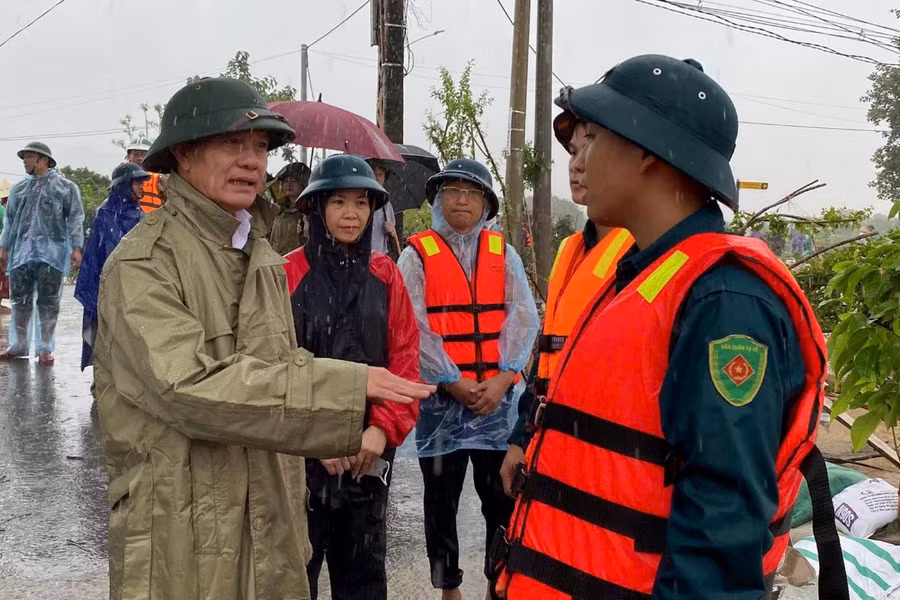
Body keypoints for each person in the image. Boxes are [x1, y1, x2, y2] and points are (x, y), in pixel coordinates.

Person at [494, 55, 846, 600]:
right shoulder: (640, 275)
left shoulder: (724, 302)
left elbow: (718, 539)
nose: (577, 160)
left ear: (648, 153)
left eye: (592, 139)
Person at [93, 77, 435, 600]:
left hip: (270, 516)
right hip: (185, 534)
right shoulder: (145, 263)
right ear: (183, 153)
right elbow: (190, 388)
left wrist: (374, 426)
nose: (251, 161)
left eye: (259, 147)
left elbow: (280, 365)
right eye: (232, 143)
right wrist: (345, 395)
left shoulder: (259, 255)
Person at [399, 158, 540, 600]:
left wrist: (503, 380)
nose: (462, 199)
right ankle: (449, 588)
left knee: (501, 499)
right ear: (439, 200)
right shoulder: (416, 256)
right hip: (441, 404)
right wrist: (451, 380)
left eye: (472, 192)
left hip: (497, 402)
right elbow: (412, 327)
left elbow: (523, 319)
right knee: (440, 501)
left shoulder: (504, 255)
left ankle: (499, 581)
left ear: (486, 204)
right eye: (453, 191)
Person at [284, 154, 420, 600]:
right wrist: (314, 436)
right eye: (339, 201)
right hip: (301, 463)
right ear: (317, 207)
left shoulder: (386, 274)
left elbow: (405, 359)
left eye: (362, 203)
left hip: (368, 458)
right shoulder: (286, 274)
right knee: (292, 577)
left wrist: (382, 429)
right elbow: (270, 368)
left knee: (363, 578)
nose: (351, 214)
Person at [499, 114, 634, 496]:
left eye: (589, 148)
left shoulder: (643, 257)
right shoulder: (571, 250)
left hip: (604, 459)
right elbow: (546, 358)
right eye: (573, 152)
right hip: (549, 442)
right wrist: (520, 438)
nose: (576, 164)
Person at [0, 142, 84, 365]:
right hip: (21, 255)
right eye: (24, 157)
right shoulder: (18, 189)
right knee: (20, 302)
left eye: (30, 156)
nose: (25, 161)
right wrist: (4, 248)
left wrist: (76, 248)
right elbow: (9, 222)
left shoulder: (65, 188)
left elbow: (75, 218)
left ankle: (45, 348)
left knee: (48, 303)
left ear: (44, 160)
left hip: (51, 254)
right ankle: (18, 346)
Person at [75, 162, 149, 371]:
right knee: (106, 334)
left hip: (133, 284)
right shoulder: (105, 214)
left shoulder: (141, 215)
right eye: (137, 183)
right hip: (107, 284)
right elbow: (98, 253)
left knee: (130, 335)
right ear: (124, 185)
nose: (141, 187)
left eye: (142, 183)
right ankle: (105, 375)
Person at [268, 161, 311, 255]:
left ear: (303, 183)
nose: (289, 184)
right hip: (275, 261)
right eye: (286, 181)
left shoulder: (310, 212)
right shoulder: (278, 211)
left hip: (298, 261)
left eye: (293, 180)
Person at [366, 159, 401, 259]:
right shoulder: (361, 200)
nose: (377, 177)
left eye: (380, 174)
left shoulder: (386, 204)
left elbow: (393, 235)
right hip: (362, 257)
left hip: (380, 259)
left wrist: (392, 231)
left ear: (385, 178)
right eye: (374, 173)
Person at [126, 138, 165, 212]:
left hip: (154, 218)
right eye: (135, 154)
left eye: (143, 154)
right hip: (127, 218)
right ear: (129, 156)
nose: (139, 158)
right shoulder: (121, 176)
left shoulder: (160, 177)